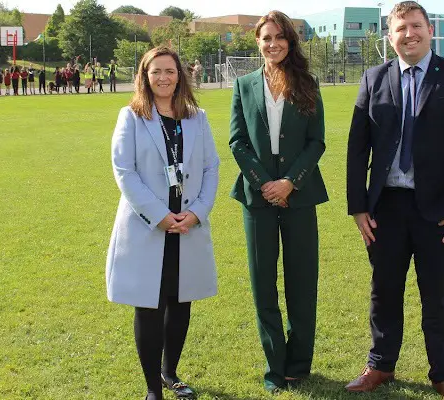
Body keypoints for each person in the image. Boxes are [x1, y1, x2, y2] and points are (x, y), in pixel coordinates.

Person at [345, 2, 444, 399]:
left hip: (439, 213)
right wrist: (359, 207)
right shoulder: (373, 78)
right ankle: (380, 367)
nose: (408, 34)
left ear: (429, 30)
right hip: (385, 209)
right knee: (384, 291)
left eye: (415, 26)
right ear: (389, 36)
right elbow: (358, 149)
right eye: (400, 29)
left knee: (437, 297)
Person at [106, 46, 220, 400]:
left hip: (187, 226)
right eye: (156, 71)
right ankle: (153, 388)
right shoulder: (132, 116)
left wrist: (197, 212)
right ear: (145, 75)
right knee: (150, 304)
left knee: (180, 301)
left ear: (180, 75)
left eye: (170, 71)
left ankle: (170, 373)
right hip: (149, 227)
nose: (163, 77)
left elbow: (210, 167)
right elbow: (125, 172)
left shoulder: (196, 117)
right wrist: (159, 216)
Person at [229, 10, 328, 393]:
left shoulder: (308, 83)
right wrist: (267, 184)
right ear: (257, 41)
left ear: (290, 41)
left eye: (280, 37)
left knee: (302, 284)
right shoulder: (244, 85)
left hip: (300, 197)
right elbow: (238, 141)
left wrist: (290, 183)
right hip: (257, 199)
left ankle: (298, 365)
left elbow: (316, 141)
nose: (273, 44)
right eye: (266, 37)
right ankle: (275, 366)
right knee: (263, 286)